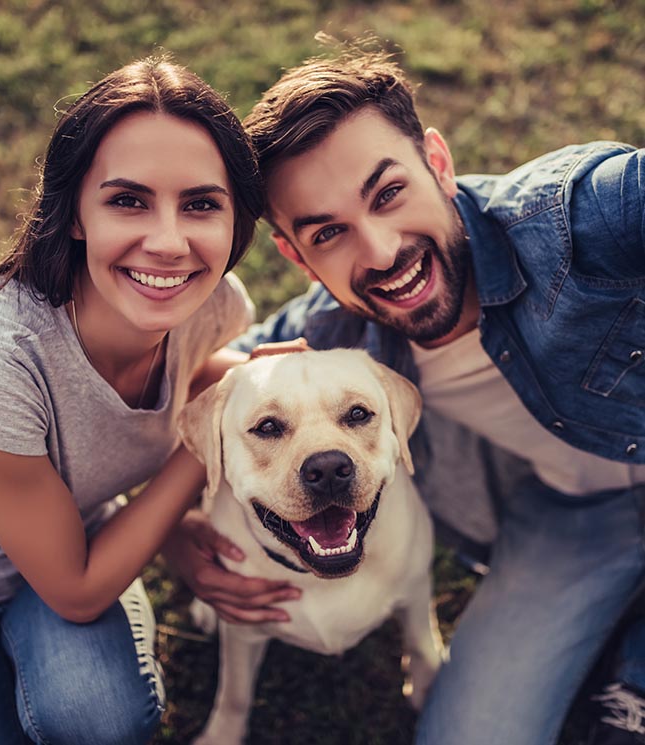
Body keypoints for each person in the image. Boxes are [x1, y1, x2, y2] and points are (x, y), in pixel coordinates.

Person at [164, 45, 645, 744]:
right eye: (329, 232)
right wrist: (176, 532)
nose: (382, 250)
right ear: (297, 257)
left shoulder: (581, 216)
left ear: (438, 164)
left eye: (387, 193)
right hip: (576, 514)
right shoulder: (327, 337)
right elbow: (180, 385)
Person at [0, 55, 278, 745]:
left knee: (99, 714)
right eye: (128, 200)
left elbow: (197, 375)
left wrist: (261, 383)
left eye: (200, 204)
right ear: (73, 212)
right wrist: (213, 428)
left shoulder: (209, 304)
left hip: (75, 540)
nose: (168, 243)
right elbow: (76, 588)